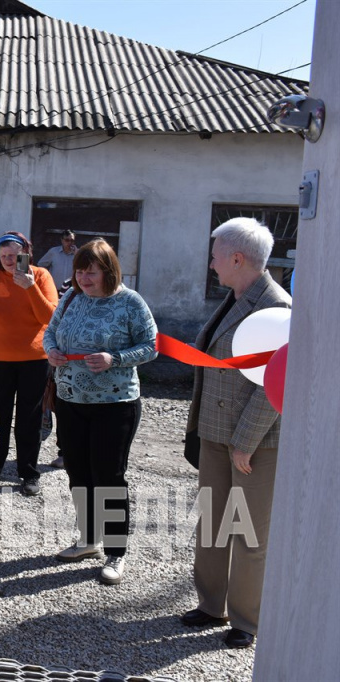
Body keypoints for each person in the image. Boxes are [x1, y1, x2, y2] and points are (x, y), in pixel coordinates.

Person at [180, 217, 290, 650]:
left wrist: (246, 440)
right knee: (213, 522)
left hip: (254, 443)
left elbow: (274, 384)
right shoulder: (236, 297)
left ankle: (246, 619)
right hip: (216, 434)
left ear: (237, 258)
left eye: (215, 256)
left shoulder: (277, 306)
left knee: (248, 532)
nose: (211, 264)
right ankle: (211, 604)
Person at [43, 238, 157, 586]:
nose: (83, 278)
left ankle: (116, 551)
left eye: (90, 272)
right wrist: (52, 352)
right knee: (78, 471)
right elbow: (50, 333)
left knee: (108, 475)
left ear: (108, 271)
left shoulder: (130, 302)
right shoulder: (72, 297)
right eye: (79, 270)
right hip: (70, 400)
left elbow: (151, 346)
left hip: (115, 403)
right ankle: (89, 539)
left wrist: (115, 359)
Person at [0, 232, 58, 495]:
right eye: (3, 256)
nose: (9, 261)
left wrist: (30, 287)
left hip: (34, 359)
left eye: (14, 256)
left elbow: (49, 316)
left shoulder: (40, 276)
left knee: (30, 417)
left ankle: (28, 473)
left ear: (26, 253)